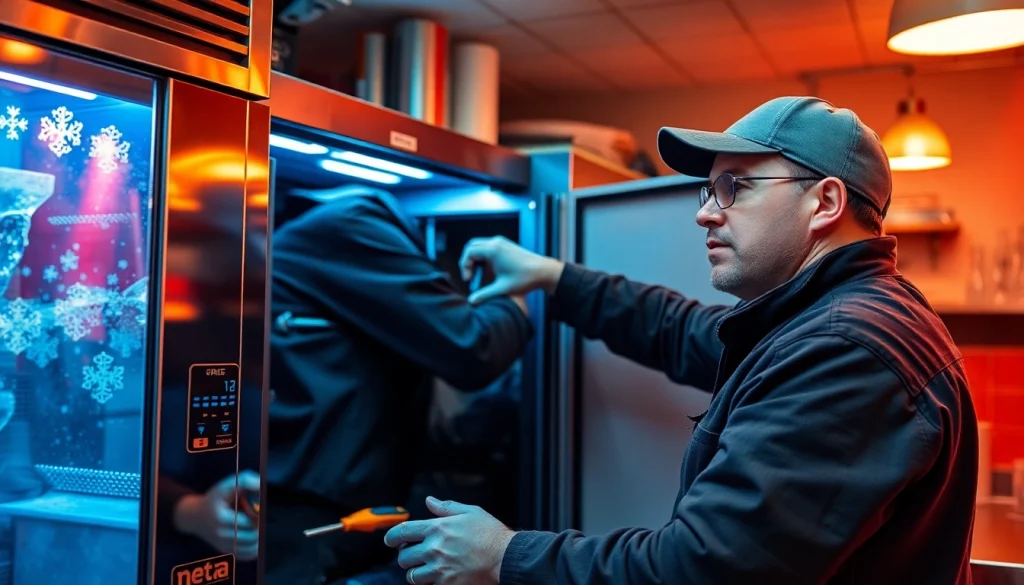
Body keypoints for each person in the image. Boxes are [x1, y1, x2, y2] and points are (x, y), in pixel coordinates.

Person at [382, 96, 978, 584]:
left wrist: (505, 555)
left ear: (824, 202)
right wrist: (552, 277)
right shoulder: (831, 320)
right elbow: (680, 328)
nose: (705, 213)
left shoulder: (846, 349)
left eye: (735, 188)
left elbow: (703, 570)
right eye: (709, 190)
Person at [265, 185, 534, 585]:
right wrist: (514, 298)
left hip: (347, 503)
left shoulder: (338, 232)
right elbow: (473, 349)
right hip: (308, 514)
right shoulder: (353, 224)